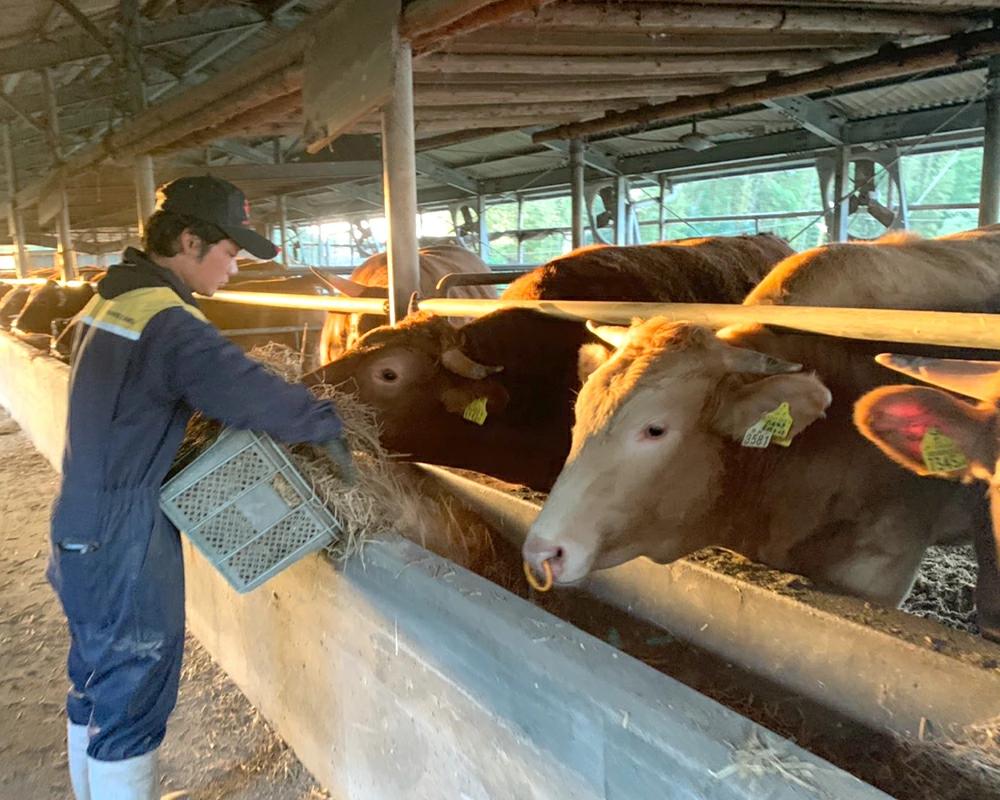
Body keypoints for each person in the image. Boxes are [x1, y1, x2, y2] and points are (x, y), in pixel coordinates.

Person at [47, 176, 353, 800]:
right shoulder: (169, 322)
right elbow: (240, 386)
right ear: (190, 240)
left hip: (81, 515)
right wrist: (325, 421)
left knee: (97, 679)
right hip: (122, 528)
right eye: (231, 251)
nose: (235, 267)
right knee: (134, 687)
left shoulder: (110, 300)